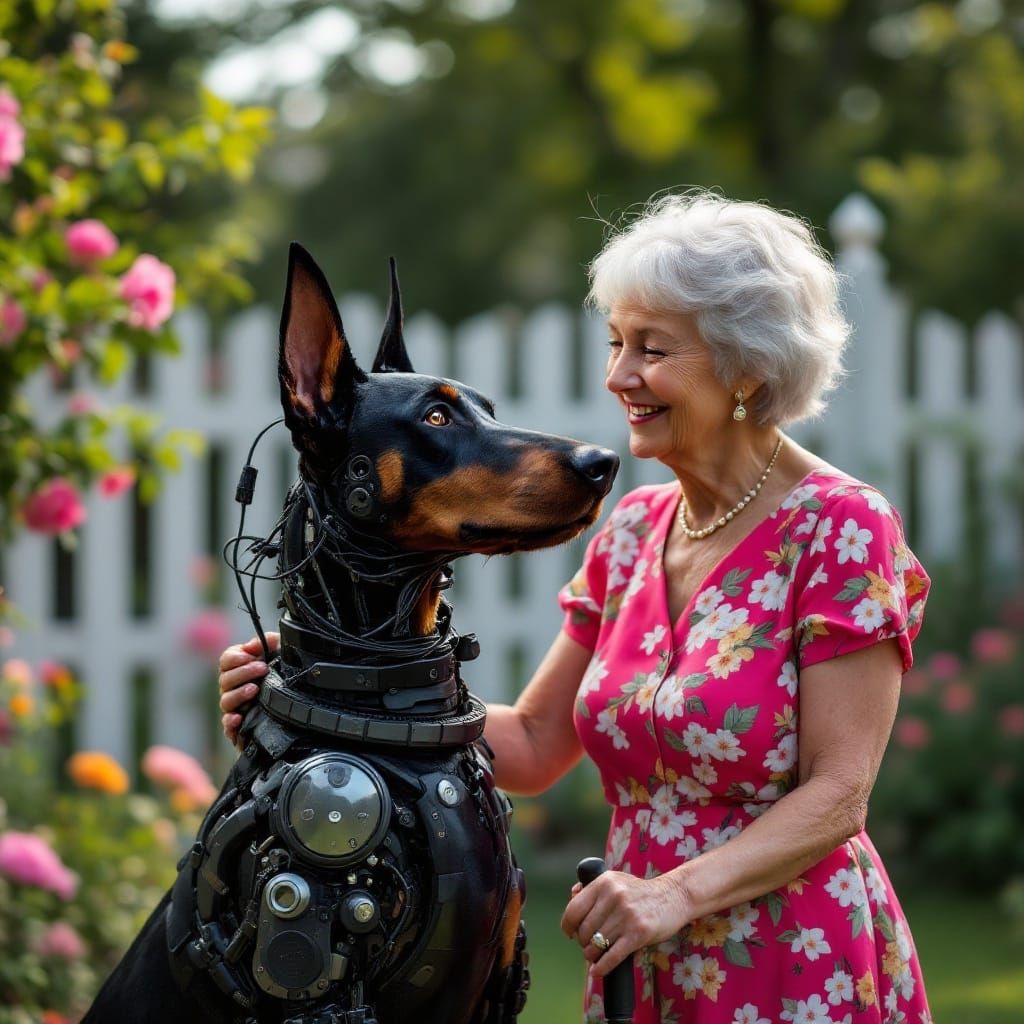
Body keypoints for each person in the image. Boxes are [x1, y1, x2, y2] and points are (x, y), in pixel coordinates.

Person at [218, 192, 932, 1024]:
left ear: (747, 365)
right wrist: (332, 696)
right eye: (617, 343)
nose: (619, 376)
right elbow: (530, 744)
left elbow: (840, 792)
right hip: (641, 958)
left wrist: (673, 894)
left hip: (792, 963)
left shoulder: (842, 527)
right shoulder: (632, 531)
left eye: (652, 349)